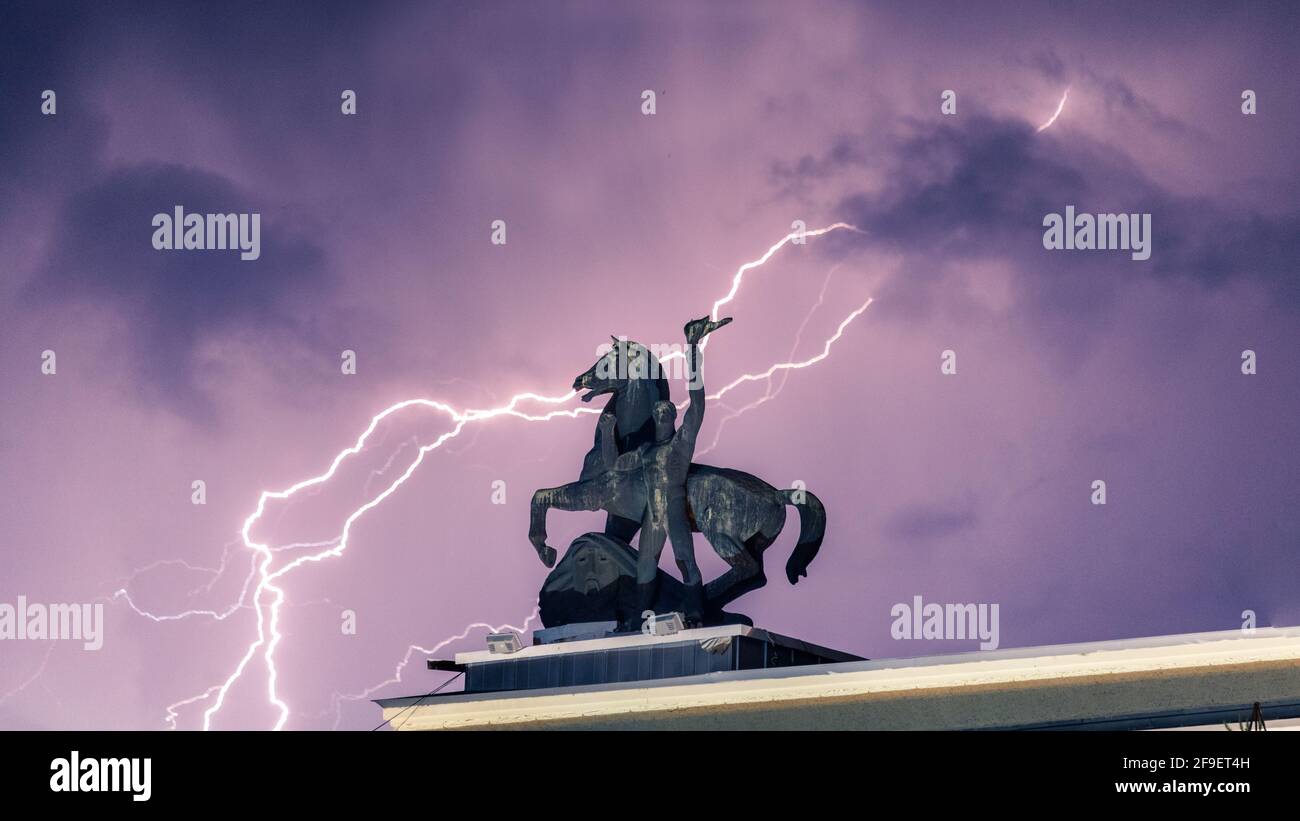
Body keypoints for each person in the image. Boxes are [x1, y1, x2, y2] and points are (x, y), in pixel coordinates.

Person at [633, 313, 732, 627]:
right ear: (654, 417)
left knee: (684, 559)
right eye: (659, 411)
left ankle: (695, 613)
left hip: (674, 506)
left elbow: (698, 402)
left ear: (673, 418)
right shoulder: (645, 451)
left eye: (667, 412)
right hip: (654, 512)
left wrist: (692, 349)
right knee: (645, 566)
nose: (663, 414)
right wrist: (608, 432)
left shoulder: (681, 443)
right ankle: (639, 618)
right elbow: (615, 470)